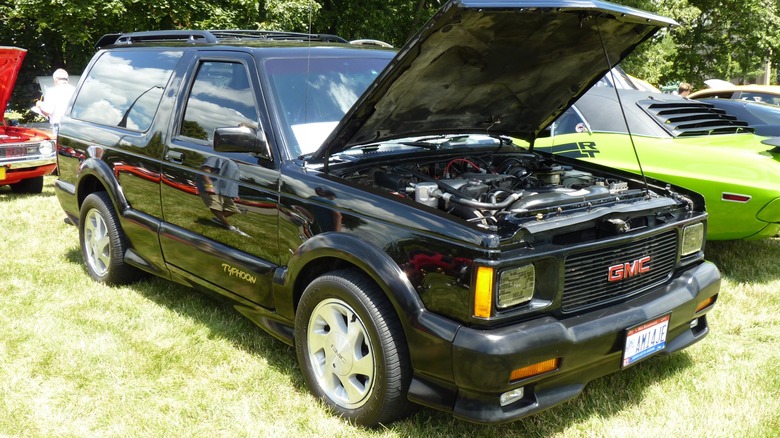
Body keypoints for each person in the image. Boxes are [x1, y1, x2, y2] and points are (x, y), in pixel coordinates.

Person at [35, 68, 76, 136]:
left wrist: (40, 105)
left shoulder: (52, 92)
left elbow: (47, 111)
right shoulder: (75, 90)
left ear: (55, 79)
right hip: (73, 126)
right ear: (67, 79)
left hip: (59, 126)